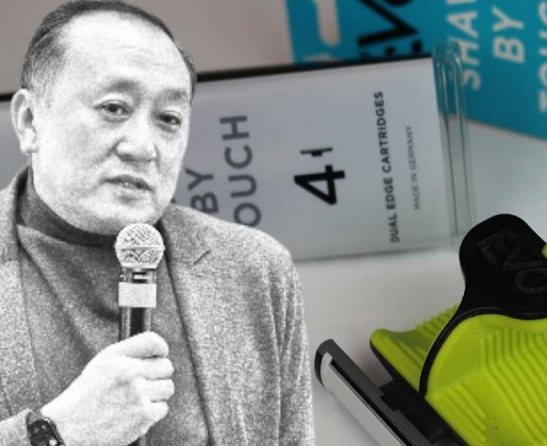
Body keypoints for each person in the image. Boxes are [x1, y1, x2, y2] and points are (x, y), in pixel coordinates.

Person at [1, 1, 315, 445]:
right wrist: (56, 433)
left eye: (168, 119)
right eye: (114, 108)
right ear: (29, 120)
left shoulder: (255, 269)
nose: (143, 147)